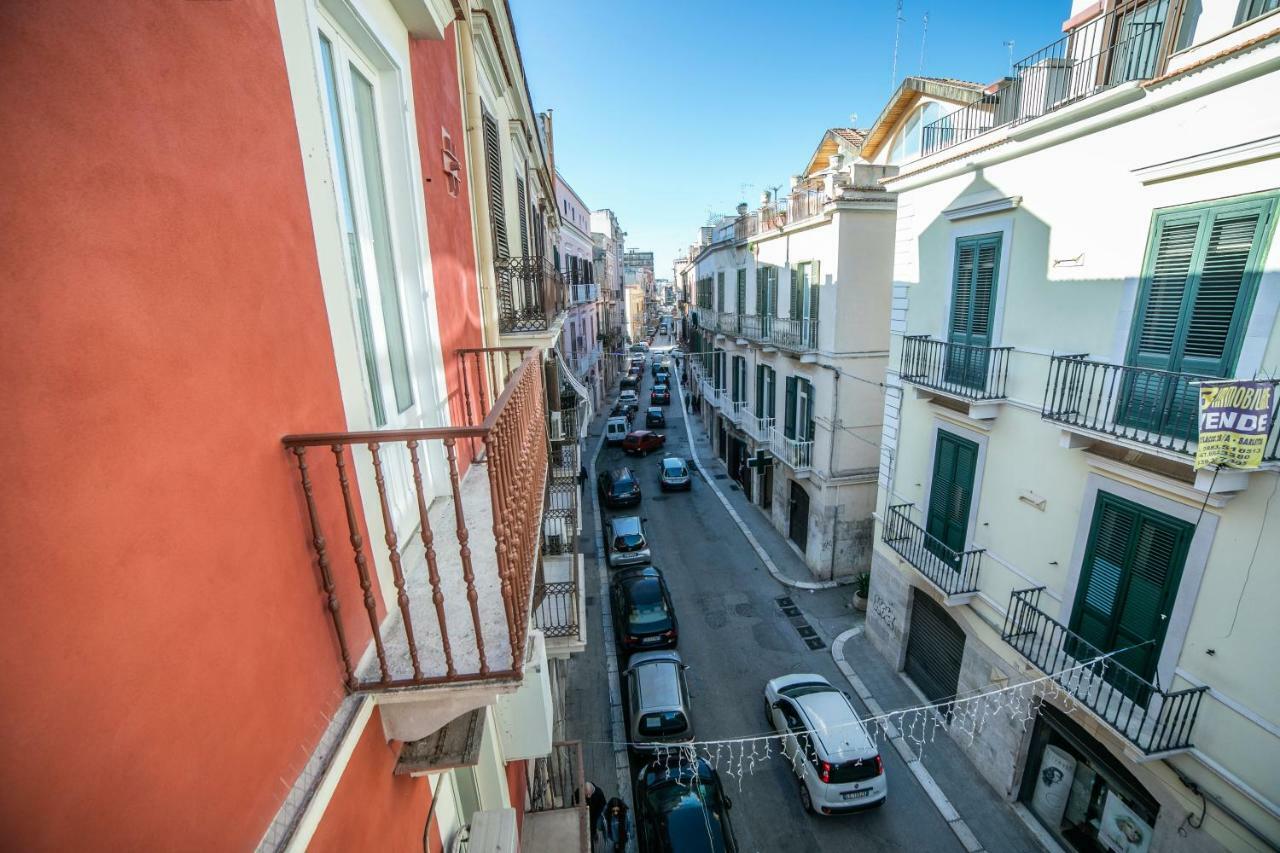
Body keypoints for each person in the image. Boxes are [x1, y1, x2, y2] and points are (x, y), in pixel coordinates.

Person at [573, 782, 607, 851]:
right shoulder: (579, 791)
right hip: (583, 817)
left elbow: (603, 806)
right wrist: (578, 806)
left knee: (591, 837)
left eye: (589, 794)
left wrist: (598, 816)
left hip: (594, 818)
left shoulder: (599, 793)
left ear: (592, 790)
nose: (588, 796)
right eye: (586, 795)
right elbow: (573, 800)